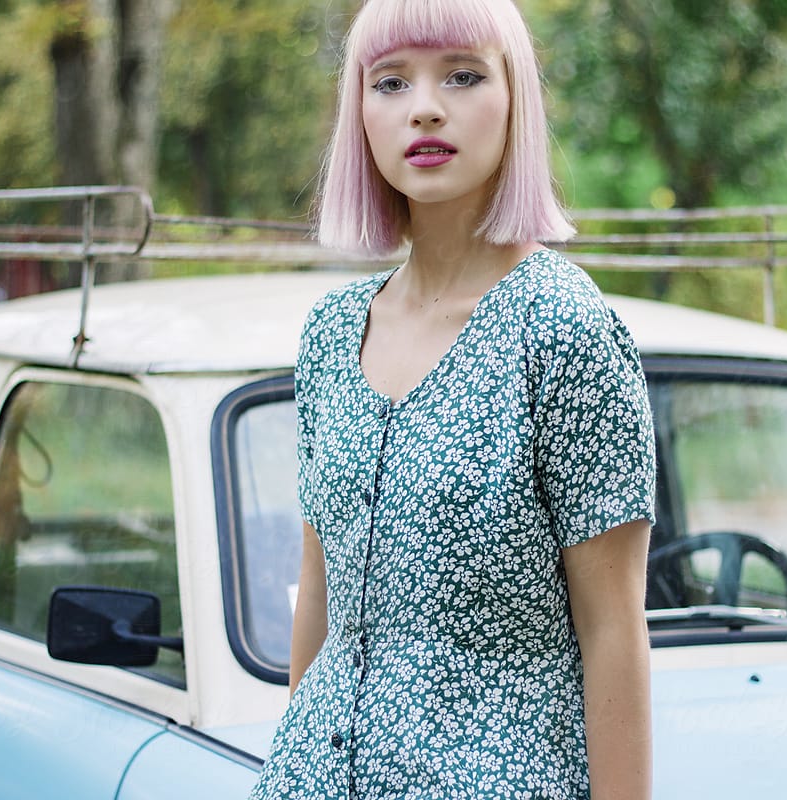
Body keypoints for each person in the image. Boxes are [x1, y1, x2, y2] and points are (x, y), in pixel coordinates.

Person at [249, 0, 656, 797]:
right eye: (390, 82)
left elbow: (615, 631)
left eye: (463, 75)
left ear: (515, 98)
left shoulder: (563, 330)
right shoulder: (332, 332)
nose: (425, 106)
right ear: (358, 113)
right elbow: (321, 592)